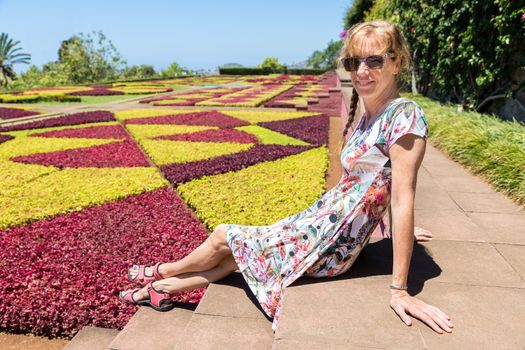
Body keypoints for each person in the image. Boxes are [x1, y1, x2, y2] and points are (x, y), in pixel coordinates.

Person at [119, 20, 453, 335]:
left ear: (397, 63)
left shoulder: (404, 115)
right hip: (321, 222)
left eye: (374, 60)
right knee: (242, 253)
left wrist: (400, 291)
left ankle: (163, 271)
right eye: (353, 63)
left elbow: (402, 194)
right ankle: (160, 289)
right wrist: (396, 230)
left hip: (330, 242)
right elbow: (373, 186)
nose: (362, 71)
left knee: (225, 236)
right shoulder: (371, 114)